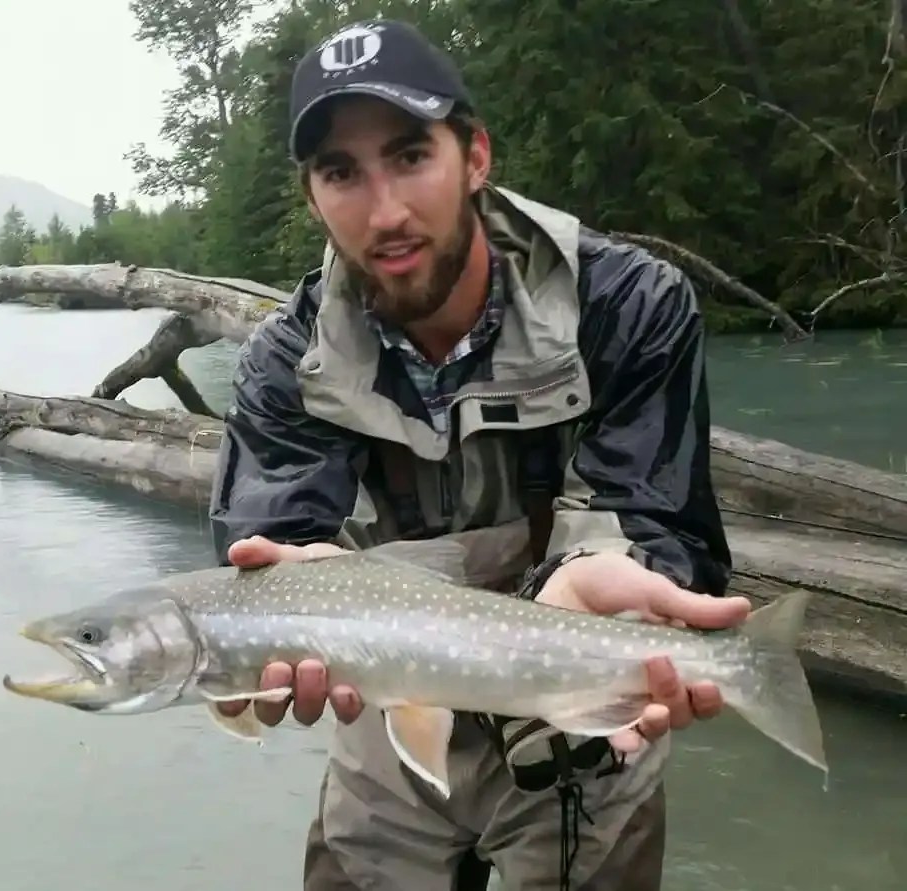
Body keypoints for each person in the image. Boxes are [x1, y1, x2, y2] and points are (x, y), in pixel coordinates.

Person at [208, 17, 746, 891]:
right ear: (312, 196)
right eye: (341, 172)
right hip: (382, 698)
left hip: (579, 695)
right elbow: (271, 533)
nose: (384, 212)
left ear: (477, 156)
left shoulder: (631, 304)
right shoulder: (286, 356)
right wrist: (294, 595)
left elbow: (664, 528)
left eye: (411, 155)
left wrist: (614, 585)